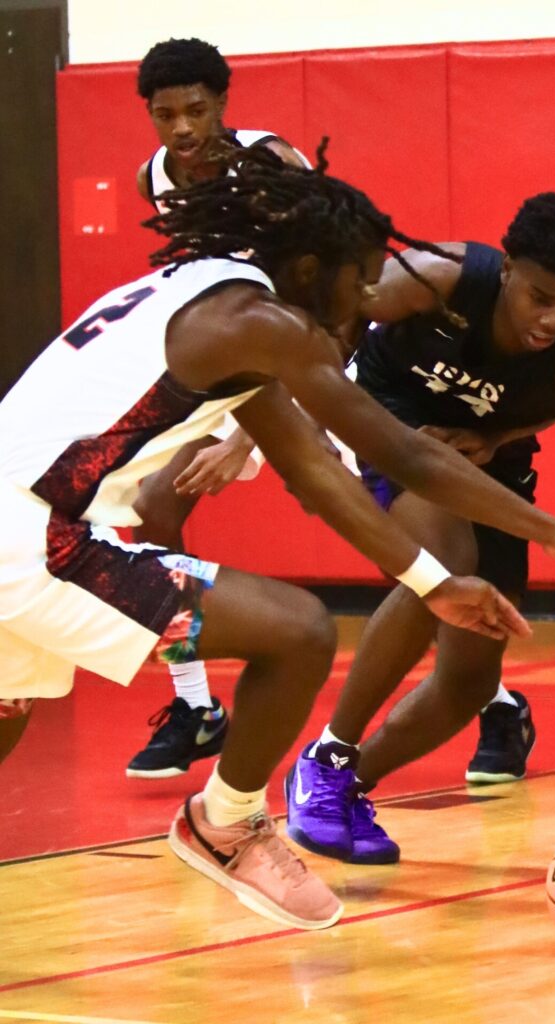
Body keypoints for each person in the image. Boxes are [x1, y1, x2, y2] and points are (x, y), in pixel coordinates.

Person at [0, 146, 555, 929]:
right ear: (313, 266)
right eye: (363, 276)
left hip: (33, 527)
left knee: (9, 707)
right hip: (36, 541)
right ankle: (226, 822)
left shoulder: (219, 299)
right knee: (301, 632)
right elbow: (403, 453)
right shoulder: (270, 325)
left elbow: (314, 474)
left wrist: (434, 585)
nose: (372, 294)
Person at [283, 192, 555, 864]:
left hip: (487, 465)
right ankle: (326, 754)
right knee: (446, 561)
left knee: (467, 675)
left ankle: (345, 789)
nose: (552, 319)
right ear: (508, 268)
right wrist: (306, 427)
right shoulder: (446, 274)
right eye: (539, 297)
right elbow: (331, 314)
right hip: (387, 422)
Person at [126, 37, 315, 781]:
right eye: (165, 114)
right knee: (152, 507)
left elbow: (315, 289)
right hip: (229, 371)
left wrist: (245, 435)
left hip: (309, 358)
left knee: (399, 537)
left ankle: (490, 698)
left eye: (196, 111)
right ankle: (197, 706)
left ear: (224, 106)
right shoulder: (155, 178)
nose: (180, 128)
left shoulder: (270, 164)